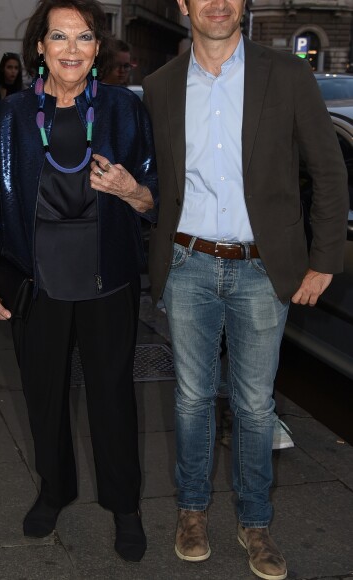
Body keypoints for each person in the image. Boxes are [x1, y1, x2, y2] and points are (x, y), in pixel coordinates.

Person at [142, 0, 348, 575]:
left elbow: (329, 171)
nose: (217, 4)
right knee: (191, 400)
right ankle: (191, 510)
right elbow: (159, 178)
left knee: (256, 405)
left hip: (263, 270)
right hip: (188, 264)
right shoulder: (160, 85)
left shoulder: (286, 74)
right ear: (184, 5)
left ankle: (256, 523)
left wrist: (324, 259)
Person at [0, 0, 158, 563]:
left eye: (83, 38)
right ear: (39, 47)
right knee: (44, 396)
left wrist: (130, 190)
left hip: (108, 276)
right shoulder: (11, 115)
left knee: (113, 398)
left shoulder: (126, 110)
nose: (72, 50)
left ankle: (124, 505)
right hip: (38, 279)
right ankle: (54, 490)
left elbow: (153, 202)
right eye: (60, 37)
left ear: (97, 49)